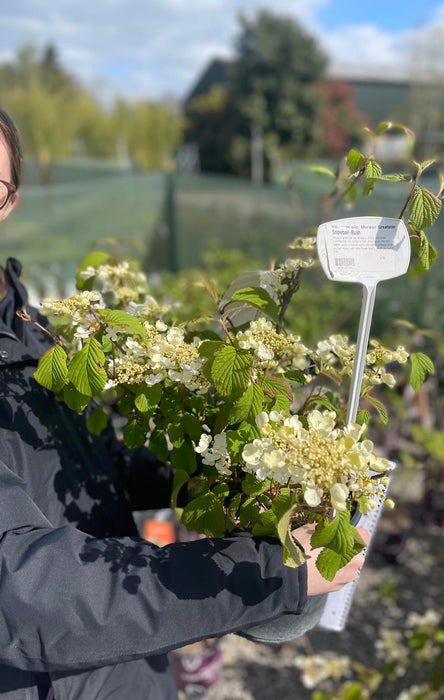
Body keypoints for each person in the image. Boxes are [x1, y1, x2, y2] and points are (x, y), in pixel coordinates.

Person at [0, 106, 368, 699]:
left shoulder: (36, 330)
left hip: (129, 670)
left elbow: (92, 466)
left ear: (12, 198)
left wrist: (230, 471)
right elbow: (25, 594)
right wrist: (276, 575)